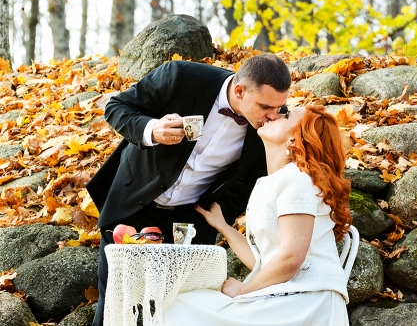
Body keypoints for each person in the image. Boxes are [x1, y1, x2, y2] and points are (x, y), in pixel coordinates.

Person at [86, 53, 291, 326]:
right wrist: (152, 129)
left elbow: (253, 178)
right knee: (118, 299)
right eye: (266, 106)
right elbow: (117, 107)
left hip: (192, 219)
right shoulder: (181, 76)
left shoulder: (274, 123)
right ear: (239, 91)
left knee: (185, 307)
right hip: (136, 205)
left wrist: (220, 212)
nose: (273, 116)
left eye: (280, 107)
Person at [162, 105, 352, 325]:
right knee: (180, 303)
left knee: (178, 306)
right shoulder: (271, 181)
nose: (275, 114)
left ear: (294, 139)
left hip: (308, 301)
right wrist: (223, 226)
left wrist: (243, 290)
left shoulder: (297, 179)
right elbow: (265, 262)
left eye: (286, 115)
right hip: (289, 296)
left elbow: (291, 258)